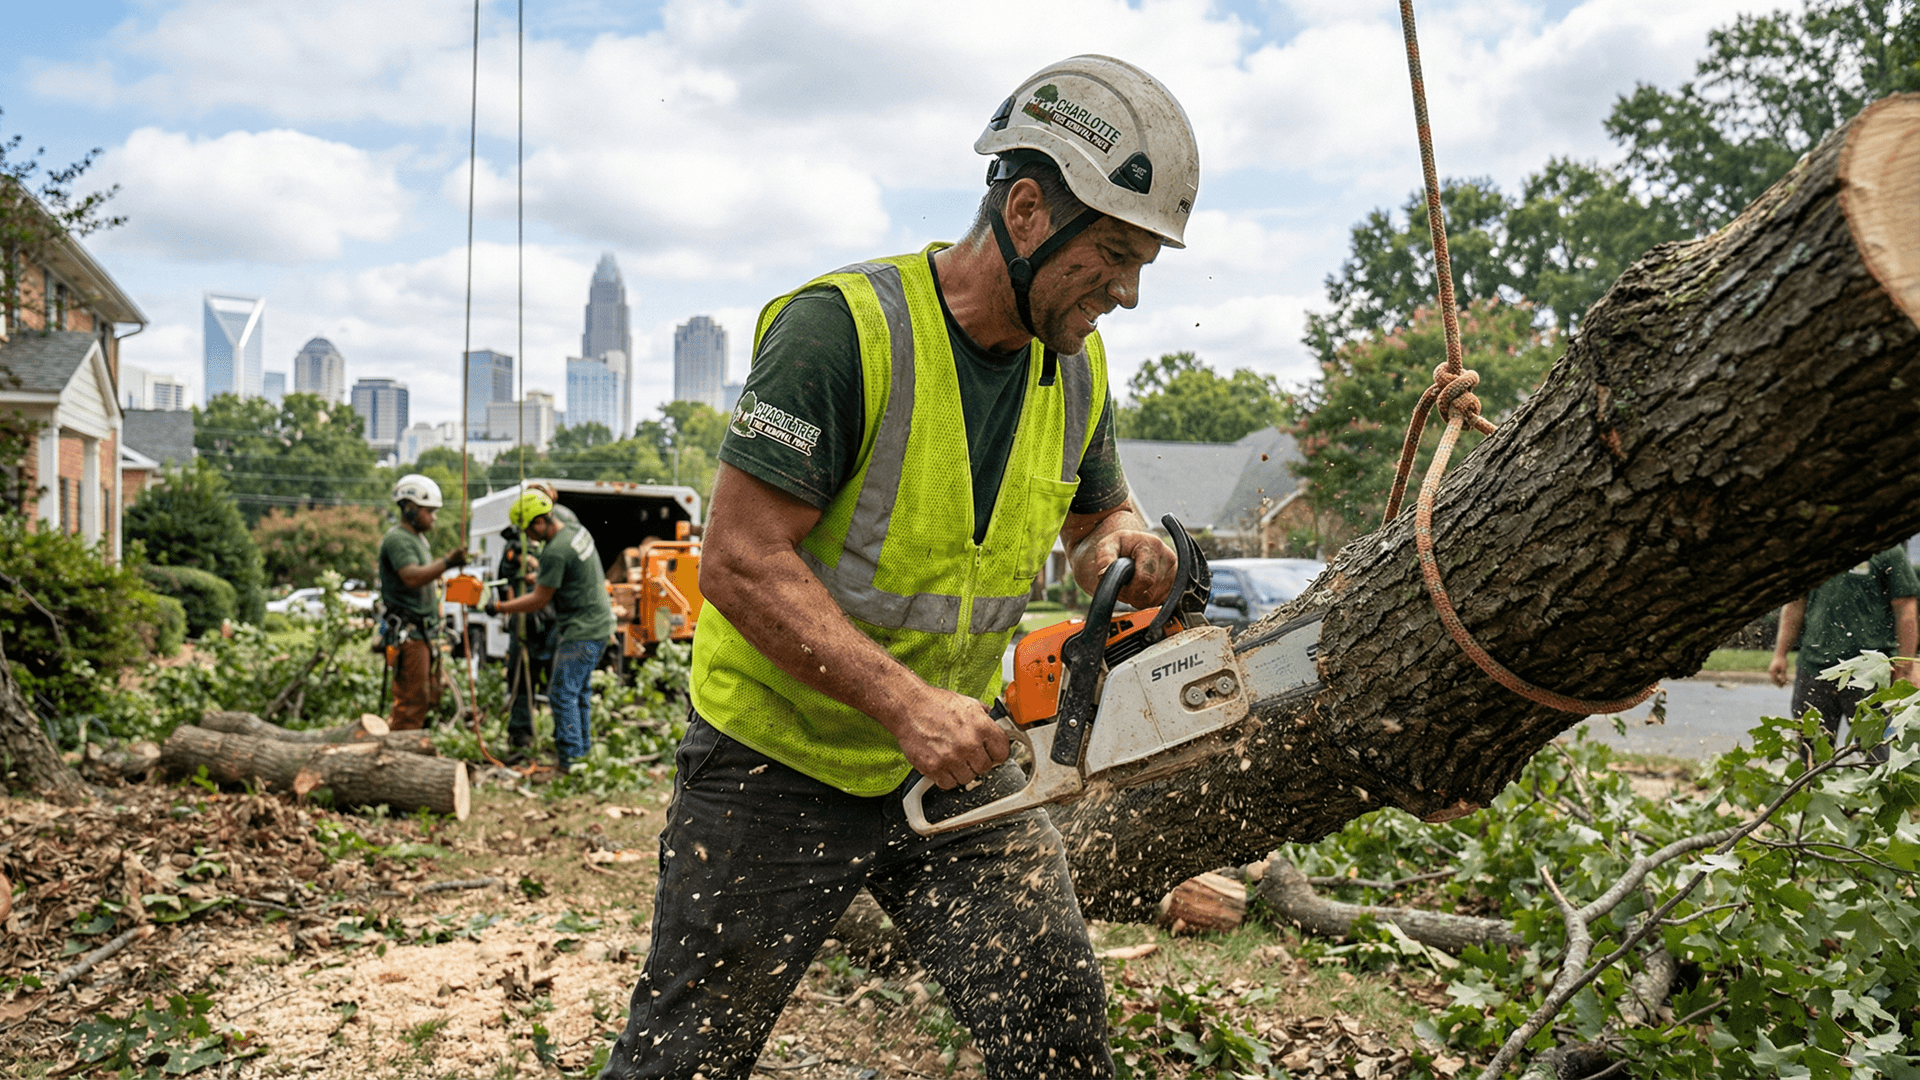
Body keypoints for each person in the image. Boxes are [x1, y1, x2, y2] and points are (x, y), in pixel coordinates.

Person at [598, 55, 1197, 1079]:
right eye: (1109, 254)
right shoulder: (840, 332)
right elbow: (738, 560)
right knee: (687, 1053)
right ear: (1023, 210)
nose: (1128, 292)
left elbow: (1097, 515)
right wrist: (904, 704)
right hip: (774, 762)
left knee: (1056, 1020)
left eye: (1143, 261)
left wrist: (1122, 546)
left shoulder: (1078, 361)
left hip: (955, 760)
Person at [486, 489, 616, 773]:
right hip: (601, 624)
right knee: (578, 693)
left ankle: (570, 761)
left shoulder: (555, 551)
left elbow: (539, 599)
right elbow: (567, 573)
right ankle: (582, 756)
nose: (529, 538)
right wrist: (540, 576)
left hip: (582, 630)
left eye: (528, 531)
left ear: (539, 522)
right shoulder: (575, 530)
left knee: (562, 693)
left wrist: (500, 607)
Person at [1770, 546, 1920, 752]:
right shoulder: (1813, 548)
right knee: (1811, 752)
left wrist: (1906, 665)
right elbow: (1795, 604)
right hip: (1814, 667)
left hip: (1869, 672)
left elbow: (1906, 609)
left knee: (1878, 753)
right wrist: (1780, 654)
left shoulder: (1886, 549)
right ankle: (1812, 783)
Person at [378, 474, 468, 731]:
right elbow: (411, 577)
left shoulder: (418, 540)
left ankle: (413, 744)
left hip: (424, 632)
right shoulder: (398, 540)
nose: (434, 518)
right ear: (410, 509)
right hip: (410, 633)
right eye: (430, 511)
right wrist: (447, 562)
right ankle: (401, 751)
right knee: (412, 699)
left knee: (429, 695)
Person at [495, 522, 558, 763]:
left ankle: (560, 741)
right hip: (524, 623)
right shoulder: (514, 550)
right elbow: (506, 583)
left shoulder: (553, 545)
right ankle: (520, 738)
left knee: (559, 684)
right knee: (520, 680)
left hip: (551, 623)